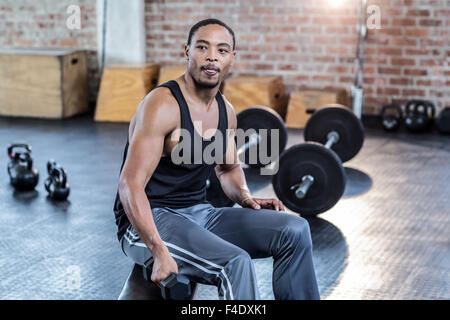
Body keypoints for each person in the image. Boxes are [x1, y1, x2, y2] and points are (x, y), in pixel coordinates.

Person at [113, 18, 320, 300]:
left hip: (201, 213)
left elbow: (228, 168)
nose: (212, 56)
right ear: (187, 51)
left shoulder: (226, 111)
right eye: (202, 47)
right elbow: (130, 184)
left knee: (295, 231)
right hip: (151, 219)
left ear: (232, 58)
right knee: (235, 263)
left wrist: (246, 197)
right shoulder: (162, 105)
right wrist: (158, 249)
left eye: (222, 50)